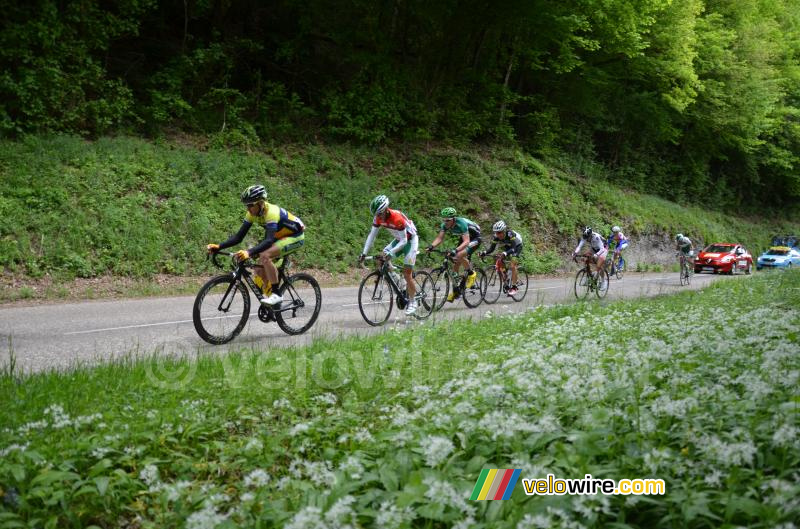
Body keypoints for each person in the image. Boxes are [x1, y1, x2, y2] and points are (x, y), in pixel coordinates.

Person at [206, 185, 305, 306]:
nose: (248, 209)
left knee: (264, 256)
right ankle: (272, 304)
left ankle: (277, 294)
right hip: (278, 237)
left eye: (250, 205)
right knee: (258, 267)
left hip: (295, 236)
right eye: (246, 205)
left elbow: (268, 241)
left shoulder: (271, 212)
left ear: (261, 203)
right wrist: (219, 246)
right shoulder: (252, 214)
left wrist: (249, 252)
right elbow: (238, 237)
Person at [358, 195, 420, 315]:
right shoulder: (378, 218)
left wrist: (391, 253)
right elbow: (372, 235)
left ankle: (413, 302)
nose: (378, 217)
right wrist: (364, 253)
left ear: (386, 209)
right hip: (399, 239)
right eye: (376, 215)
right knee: (381, 259)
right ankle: (400, 284)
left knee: (407, 273)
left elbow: (404, 241)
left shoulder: (397, 218)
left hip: (410, 240)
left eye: (380, 214)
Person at [426, 207, 481, 302]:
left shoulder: (461, 223)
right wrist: (431, 246)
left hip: (474, 238)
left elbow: (467, 241)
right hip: (464, 236)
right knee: (456, 263)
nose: (445, 222)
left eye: (448, 220)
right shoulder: (444, 225)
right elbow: (439, 238)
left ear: (454, 218)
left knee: (459, 254)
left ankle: (471, 274)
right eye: (444, 219)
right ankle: (456, 291)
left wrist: (455, 250)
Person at [479, 220, 523, 295]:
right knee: (500, 260)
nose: (497, 234)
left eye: (499, 232)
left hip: (517, 245)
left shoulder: (510, 234)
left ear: (504, 230)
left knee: (513, 265)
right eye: (496, 232)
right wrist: (484, 252)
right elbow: (491, 249)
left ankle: (514, 287)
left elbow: (513, 248)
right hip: (508, 245)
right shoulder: (496, 237)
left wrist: (505, 253)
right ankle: (506, 275)